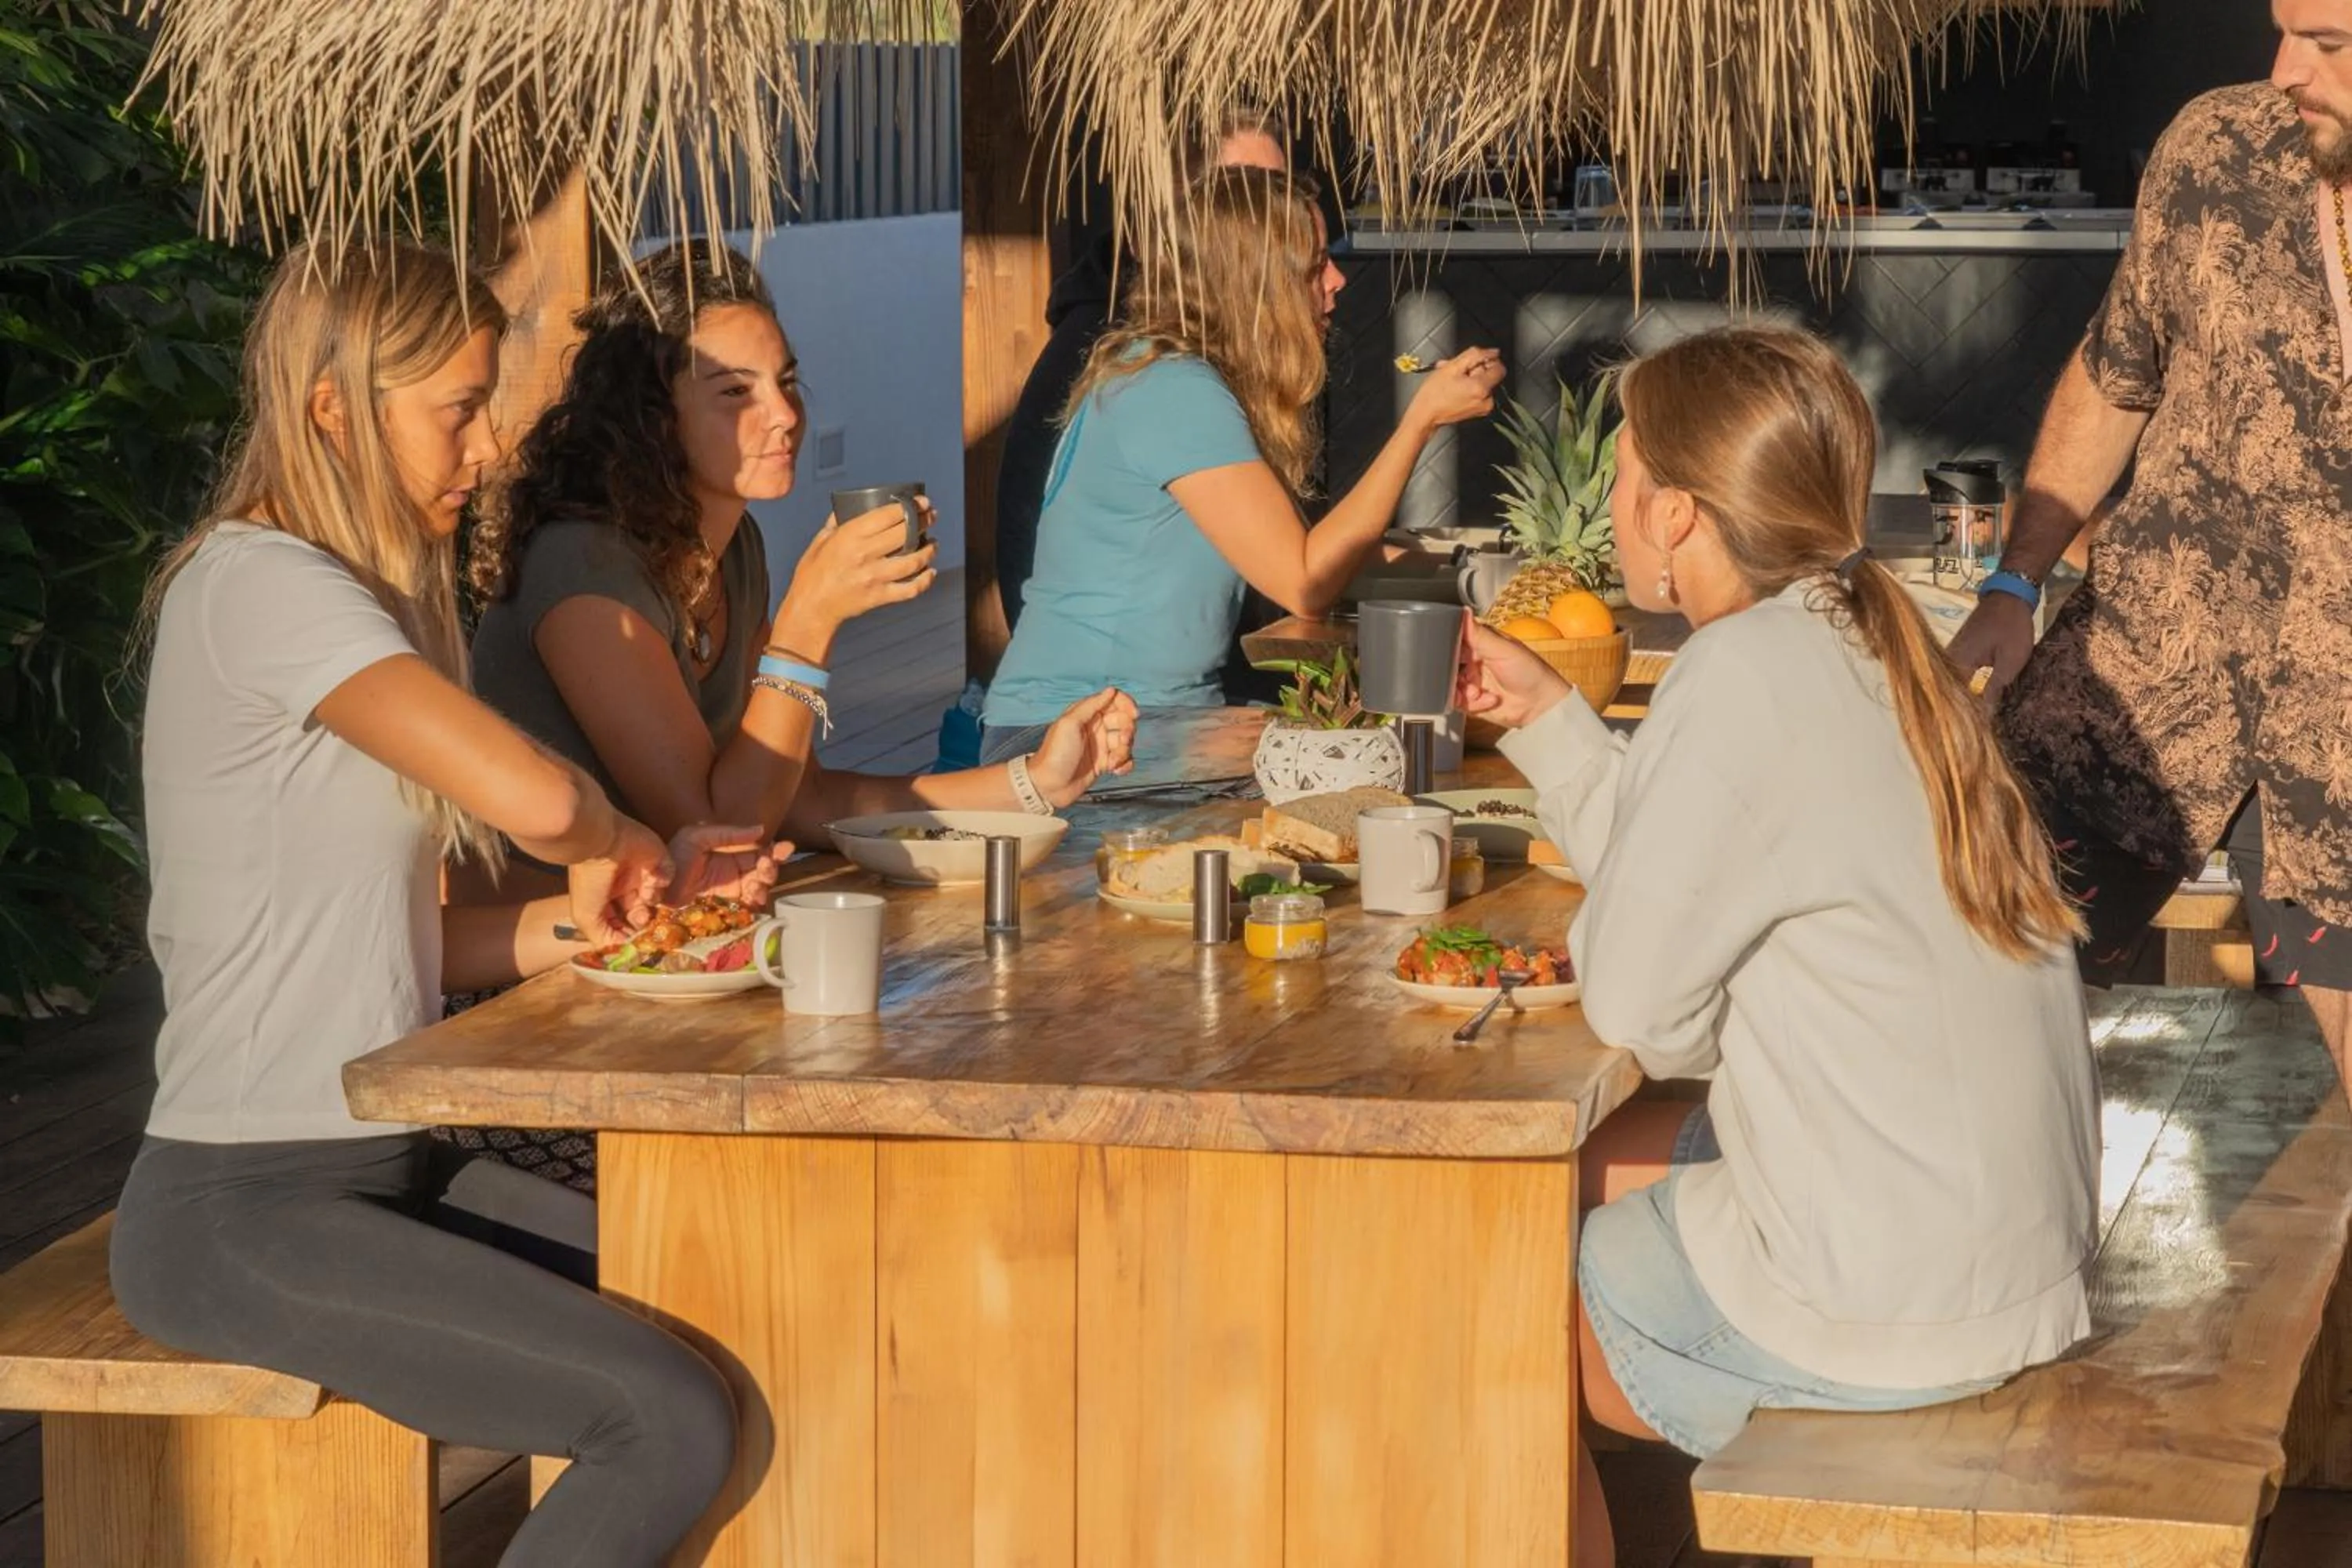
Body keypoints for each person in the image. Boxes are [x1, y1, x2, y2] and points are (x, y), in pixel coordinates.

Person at [111, 241, 750, 1566]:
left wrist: (606, 918)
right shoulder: (260, 583)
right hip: (238, 1206)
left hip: (381, 1168)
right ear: (334, 408)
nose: (489, 445)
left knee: (742, 1294)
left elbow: (409, 939)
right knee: (663, 1420)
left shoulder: (353, 601)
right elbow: (540, 798)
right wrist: (617, 834)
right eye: (458, 409)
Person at [1455, 326, 2100, 1568]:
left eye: (1624, 476)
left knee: (1486, 1279)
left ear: (1678, 514)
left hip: (1891, 1308)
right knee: (1582, 1165)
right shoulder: (1870, 632)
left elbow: (1640, 1010)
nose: (1613, 505)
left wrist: (1709, 1001)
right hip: (2012, 1261)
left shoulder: (1738, 670)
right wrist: (1549, 716)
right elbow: (1700, 866)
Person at [464, 240, 1139, 908]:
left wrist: (1035, 781)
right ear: (651, 419)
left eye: (786, 382)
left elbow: (801, 800)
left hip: (680, 937)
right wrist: (809, 620)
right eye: (736, 392)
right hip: (557, 954)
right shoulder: (586, 569)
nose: (786, 416)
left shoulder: (731, 549)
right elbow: (717, 836)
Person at [1949, 16, 2352, 1086]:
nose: (2285, 72)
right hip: (2141, 680)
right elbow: (2117, 371)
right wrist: (2014, 582)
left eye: (2328, 41)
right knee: (1962, 977)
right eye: (2282, 31)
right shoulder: (2216, 148)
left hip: (2338, 741)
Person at [980, 166, 1506, 761]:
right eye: (1314, 266)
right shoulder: (1173, 391)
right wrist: (1420, 423)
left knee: (1377, 753)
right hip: (1077, 735)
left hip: (1155, 717)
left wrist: (1471, 574)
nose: (1337, 280)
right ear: (1255, 284)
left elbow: (1312, 556)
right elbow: (1305, 583)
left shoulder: (1170, 375)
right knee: (1371, 765)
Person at [993, 104, 1288, 640]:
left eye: (1283, 193)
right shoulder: (1136, 359)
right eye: (1249, 198)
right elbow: (1297, 576)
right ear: (1173, 222)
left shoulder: (1195, 334)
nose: (1282, 218)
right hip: (1111, 677)